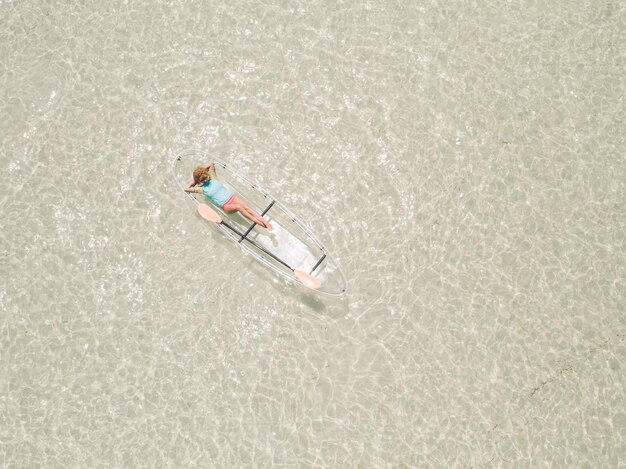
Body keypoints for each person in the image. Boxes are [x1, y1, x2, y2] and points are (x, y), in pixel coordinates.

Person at [185, 162, 273, 230]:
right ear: (199, 181)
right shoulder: (202, 189)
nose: (205, 180)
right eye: (202, 180)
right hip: (226, 206)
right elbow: (187, 188)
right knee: (239, 207)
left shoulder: (213, 177)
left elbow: (211, 163)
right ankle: (261, 224)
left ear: (207, 174)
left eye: (205, 177)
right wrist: (195, 180)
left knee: (248, 208)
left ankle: (266, 222)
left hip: (233, 197)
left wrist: (202, 171)